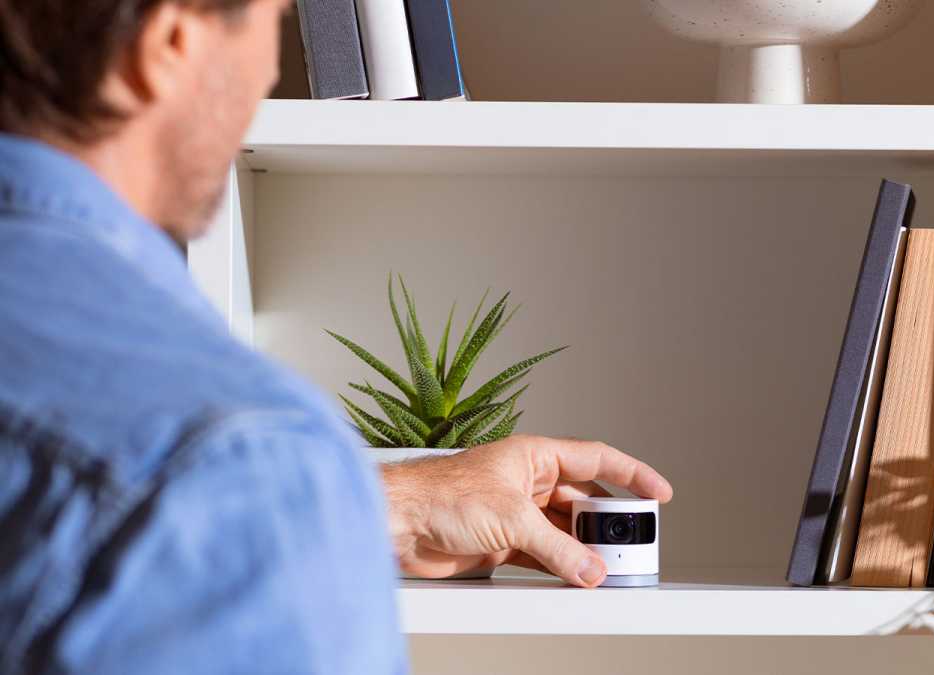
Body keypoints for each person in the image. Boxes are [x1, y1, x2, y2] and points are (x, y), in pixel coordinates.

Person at [0, 1, 674, 673]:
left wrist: (381, 507)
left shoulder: (221, 475)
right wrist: (287, 507)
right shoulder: (233, 459)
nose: (269, 75)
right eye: (277, 22)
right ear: (170, 44)